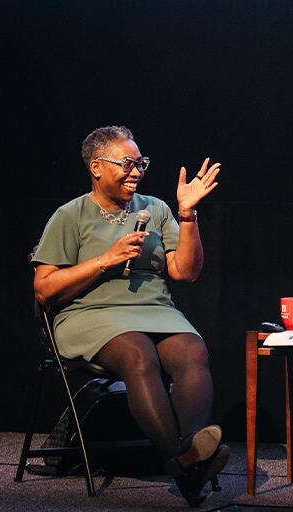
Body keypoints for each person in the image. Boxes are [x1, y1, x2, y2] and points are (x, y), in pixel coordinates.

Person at [32, 125, 227, 507]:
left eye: (141, 163)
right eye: (127, 163)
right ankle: (184, 461)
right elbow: (44, 287)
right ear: (96, 167)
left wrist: (187, 215)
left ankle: (188, 457)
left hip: (154, 310)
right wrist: (105, 259)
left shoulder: (155, 208)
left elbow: (185, 271)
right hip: (91, 313)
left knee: (192, 350)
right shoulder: (70, 215)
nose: (137, 171)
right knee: (138, 353)